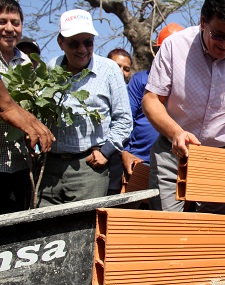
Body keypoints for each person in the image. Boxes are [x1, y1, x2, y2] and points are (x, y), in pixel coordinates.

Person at [142, 0, 225, 214]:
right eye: (218, 35)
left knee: (210, 232)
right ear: (203, 22)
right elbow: (152, 99)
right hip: (172, 152)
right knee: (167, 228)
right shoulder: (174, 46)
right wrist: (176, 133)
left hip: (219, 158)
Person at [38, 9, 132, 207]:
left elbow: (124, 119)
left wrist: (106, 151)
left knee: (84, 231)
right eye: (74, 43)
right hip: (50, 167)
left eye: (87, 42)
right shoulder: (50, 68)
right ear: (61, 43)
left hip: (88, 167)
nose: (82, 49)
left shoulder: (109, 70)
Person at [121, 23, 184, 198]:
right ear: (156, 52)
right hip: (139, 162)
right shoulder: (141, 80)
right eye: (163, 50)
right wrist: (125, 152)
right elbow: (126, 119)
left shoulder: (190, 84)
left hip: (177, 163)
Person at [0, 0, 39, 212]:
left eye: (15, 23)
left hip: (18, 164)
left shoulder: (26, 63)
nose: (9, 28)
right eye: (2, 21)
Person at [106, 47, 133, 195]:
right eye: (117, 66)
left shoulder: (132, 94)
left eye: (126, 68)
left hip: (118, 166)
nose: (121, 71)